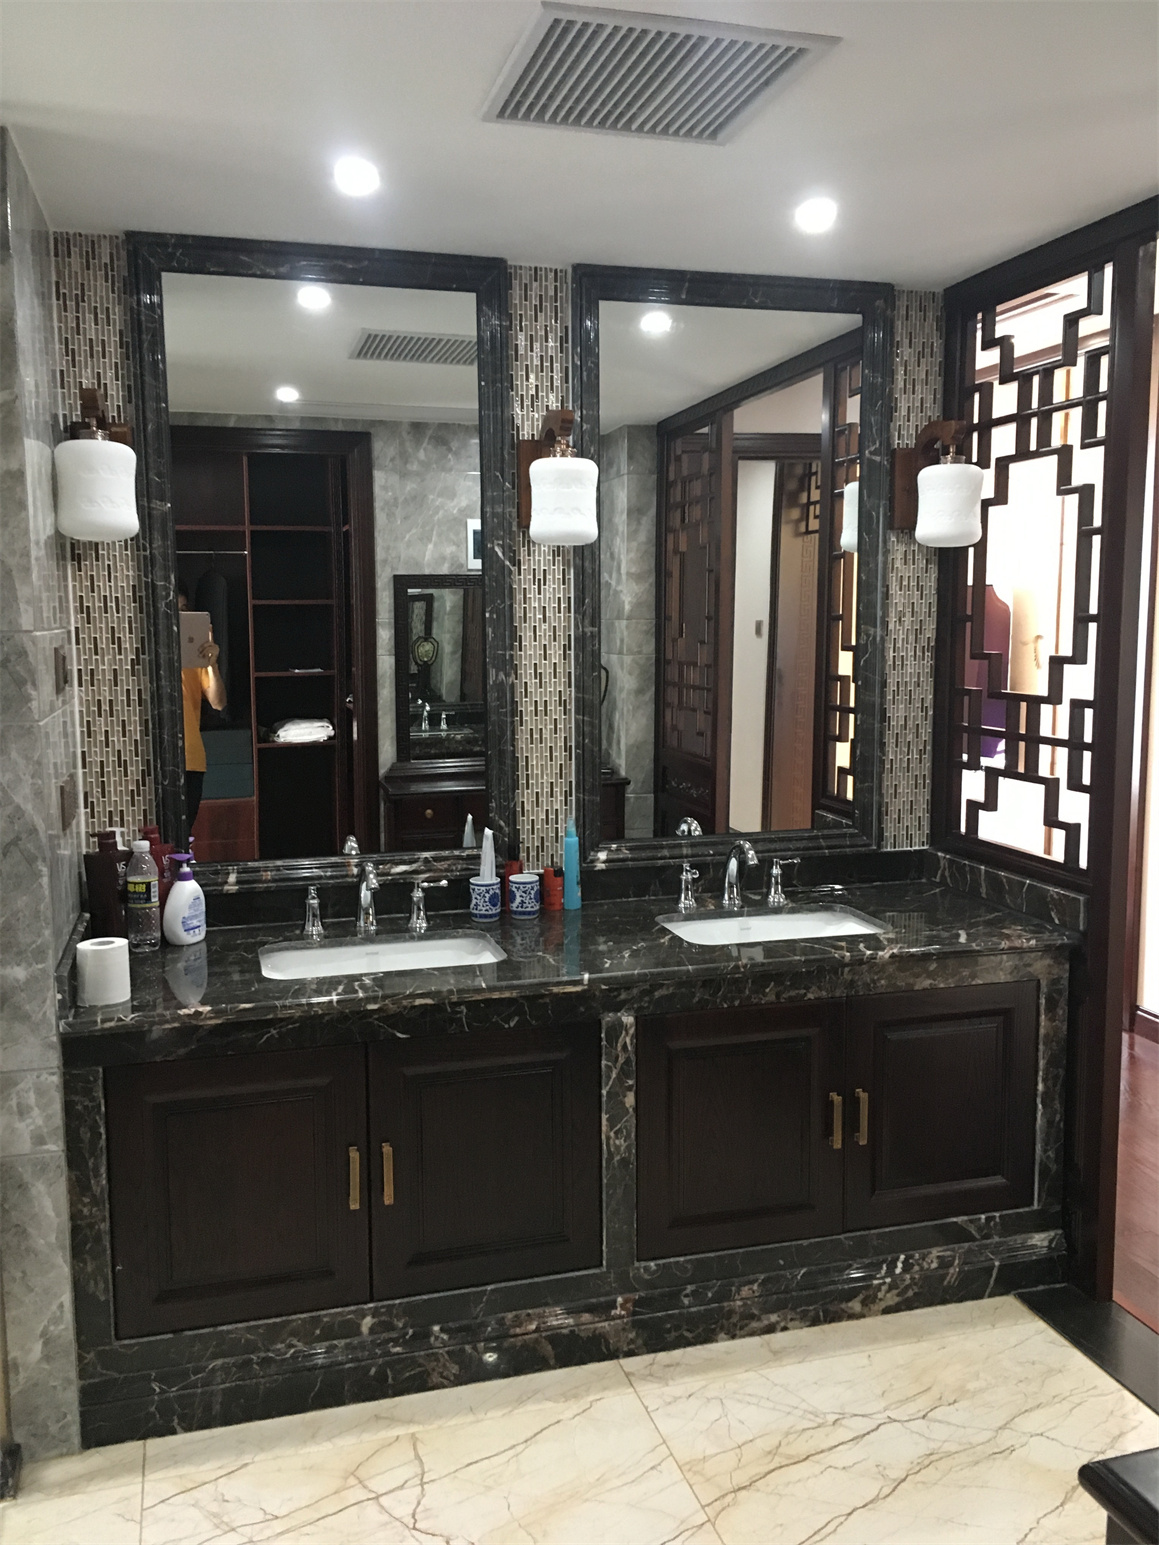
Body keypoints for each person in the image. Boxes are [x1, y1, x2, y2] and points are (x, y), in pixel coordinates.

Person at [177, 581, 226, 828]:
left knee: (181, 839)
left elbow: (218, 703)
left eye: (185, 610)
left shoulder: (196, 653)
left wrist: (212, 664)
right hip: (155, 759)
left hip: (191, 758)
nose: (180, 618)